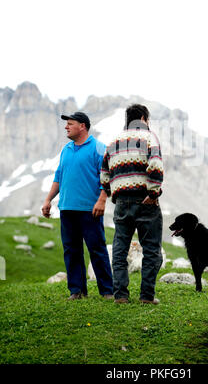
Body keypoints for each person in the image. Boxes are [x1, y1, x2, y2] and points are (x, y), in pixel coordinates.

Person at [42, 111, 113, 301]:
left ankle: (107, 291)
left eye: (70, 124)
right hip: (66, 208)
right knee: (71, 250)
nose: (66, 127)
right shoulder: (66, 149)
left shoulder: (99, 148)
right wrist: (48, 199)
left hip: (90, 209)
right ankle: (77, 290)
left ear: (82, 126)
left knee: (97, 249)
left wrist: (102, 200)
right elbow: (59, 176)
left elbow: (107, 177)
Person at [100, 104, 164, 305]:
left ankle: (120, 296)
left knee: (119, 249)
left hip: (122, 202)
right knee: (152, 250)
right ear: (144, 118)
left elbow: (104, 174)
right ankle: (146, 296)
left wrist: (113, 193)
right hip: (145, 200)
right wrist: (153, 193)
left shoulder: (113, 142)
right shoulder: (149, 137)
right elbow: (155, 165)